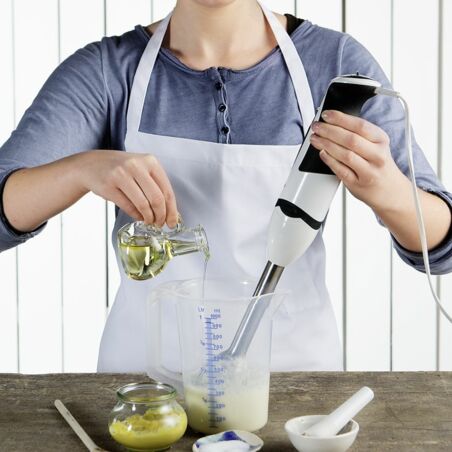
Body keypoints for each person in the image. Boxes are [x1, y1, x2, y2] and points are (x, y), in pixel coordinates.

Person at [0, 0, 451, 372]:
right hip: (146, 392)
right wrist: (80, 170)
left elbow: (442, 245)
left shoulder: (333, 64)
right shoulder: (108, 71)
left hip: (293, 388)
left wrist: (389, 189)